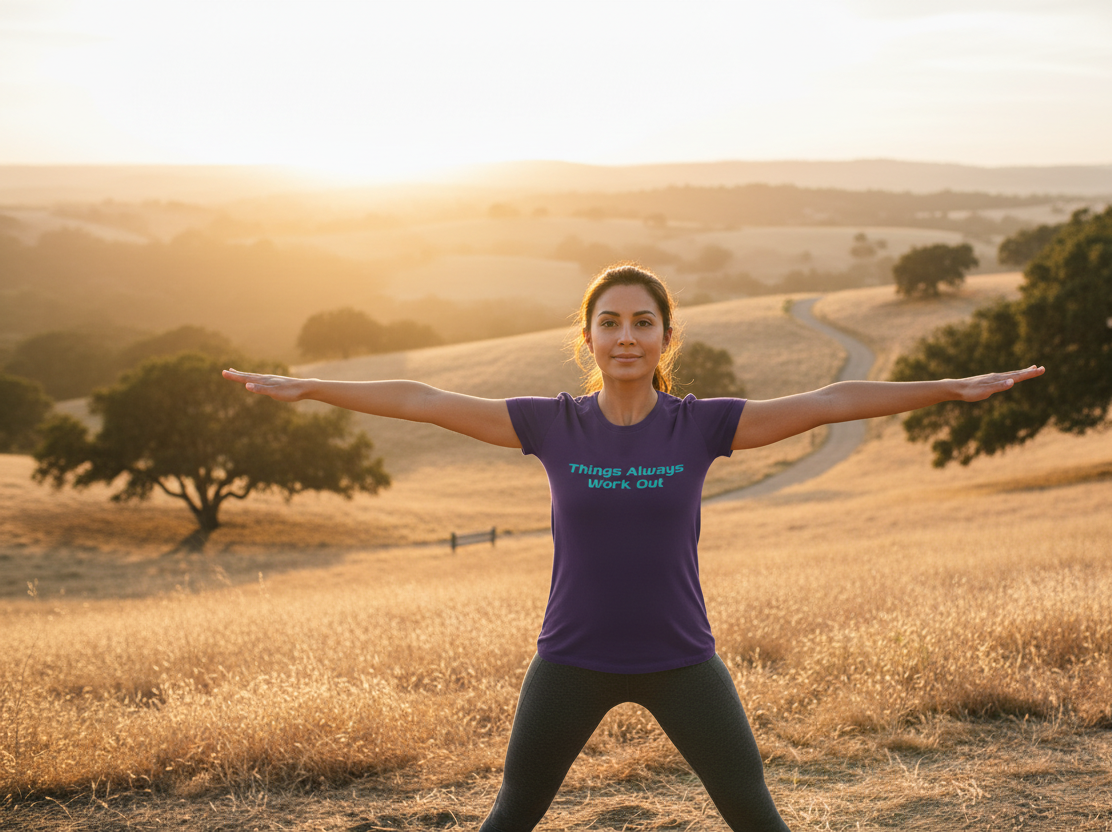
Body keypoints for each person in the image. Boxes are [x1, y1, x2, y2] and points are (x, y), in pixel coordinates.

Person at [223, 264, 1043, 831]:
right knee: (511, 816)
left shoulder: (703, 425)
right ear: (587, 338)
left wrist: (950, 388)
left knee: (757, 816)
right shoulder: (550, 423)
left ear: (664, 339)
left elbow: (829, 399)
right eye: (609, 322)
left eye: (642, 323)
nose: (626, 336)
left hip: (682, 661)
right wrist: (310, 386)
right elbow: (424, 397)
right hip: (570, 660)